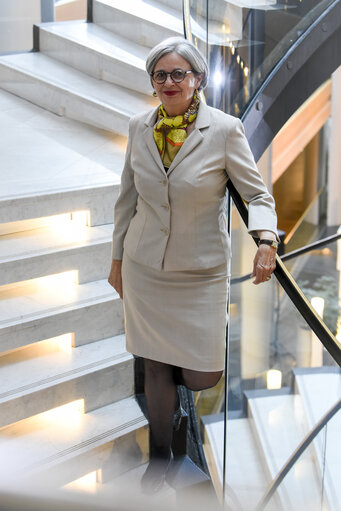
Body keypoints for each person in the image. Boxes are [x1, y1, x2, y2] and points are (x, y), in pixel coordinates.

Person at [108, 37, 279, 493]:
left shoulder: (224, 130)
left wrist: (266, 237)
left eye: (178, 73)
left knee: (203, 374)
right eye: (160, 75)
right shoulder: (138, 127)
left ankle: (177, 416)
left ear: (198, 79)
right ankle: (160, 453)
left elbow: (257, 195)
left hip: (201, 274)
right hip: (147, 269)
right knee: (157, 366)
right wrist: (117, 258)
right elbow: (127, 200)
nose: (168, 82)